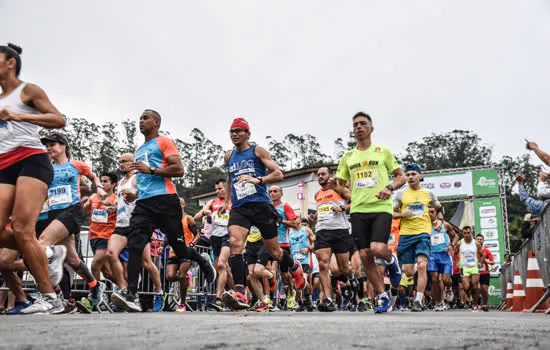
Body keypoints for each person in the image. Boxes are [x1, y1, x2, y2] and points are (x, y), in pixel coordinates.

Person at [111, 109, 215, 312]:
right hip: (144, 204)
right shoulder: (140, 149)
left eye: (145, 118)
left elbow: (179, 170)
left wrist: (151, 170)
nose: (141, 121)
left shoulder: (164, 142)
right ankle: (131, 293)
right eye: (140, 118)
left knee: (180, 247)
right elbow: (143, 178)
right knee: (135, 243)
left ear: (156, 122)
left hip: (166, 200)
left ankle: (201, 261)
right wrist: (136, 194)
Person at [0, 43, 67, 314]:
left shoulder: (27, 90)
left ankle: (51, 298)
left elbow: (58, 119)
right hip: (4, 164)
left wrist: (16, 114)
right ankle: (50, 253)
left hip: (31, 159)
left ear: (10, 63)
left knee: (22, 229)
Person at [219, 117, 303, 310]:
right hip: (240, 207)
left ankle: (294, 267)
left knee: (275, 251)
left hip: (260, 205)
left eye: (239, 131)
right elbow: (230, 179)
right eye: (232, 131)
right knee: (235, 243)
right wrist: (226, 202)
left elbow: (278, 174)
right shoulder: (229, 156)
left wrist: (258, 179)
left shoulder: (257, 150)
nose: (235, 134)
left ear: (248, 133)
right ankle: (240, 291)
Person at [333, 112, 406, 314]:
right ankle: (383, 297)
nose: (358, 127)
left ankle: (392, 261)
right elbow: (339, 186)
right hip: (358, 211)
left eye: (363, 123)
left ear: (371, 129)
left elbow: (401, 177)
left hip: (380, 208)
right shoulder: (348, 157)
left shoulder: (383, 152)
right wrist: (350, 195)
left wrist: (389, 189)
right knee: (365, 255)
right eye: (355, 124)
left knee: (376, 248)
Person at [105, 153, 166, 312]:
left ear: (134, 163)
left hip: (138, 225)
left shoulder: (139, 178)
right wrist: (114, 208)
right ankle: (125, 291)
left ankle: (159, 292)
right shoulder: (120, 183)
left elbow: (149, 195)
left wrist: (135, 195)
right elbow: (123, 203)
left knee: (146, 262)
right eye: (119, 161)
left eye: (124, 161)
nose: (121, 164)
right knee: (111, 253)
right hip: (121, 225)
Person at [393, 163, 441, 312]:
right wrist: (402, 214)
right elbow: (392, 213)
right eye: (408, 175)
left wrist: (439, 219)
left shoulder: (429, 193)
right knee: (408, 271)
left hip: (423, 233)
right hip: (406, 234)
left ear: (420, 176)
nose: (410, 177)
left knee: (422, 266)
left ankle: (418, 301)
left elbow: (438, 207)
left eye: (414, 174)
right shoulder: (400, 195)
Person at [312, 167, 356, 312]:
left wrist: (343, 208)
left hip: (340, 230)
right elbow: (323, 210)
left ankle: (352, 277)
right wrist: (315, 217)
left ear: (330, 175)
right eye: (318, 175)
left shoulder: (339, 189)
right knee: (323, 265)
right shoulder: (316, 194)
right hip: (322, 231)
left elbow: (355, 202)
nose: (320, 177)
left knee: (343, 269)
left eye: (323, 174)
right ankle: (328, 299)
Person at [194, 179, 232, 312]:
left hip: (229, 236)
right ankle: (234, 293)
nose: (218, 191)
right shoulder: (212, 203)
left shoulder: (233, 201)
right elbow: (195, 217)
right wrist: (205, 212)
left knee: (221, 264)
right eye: (216, 189)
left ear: (227, 188)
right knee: (224, 268)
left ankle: (219, 299)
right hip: (215, 238)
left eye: (220, 188)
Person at [165, 198, 200, 312]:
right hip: (173, 250)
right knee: (169, 276)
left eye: (179, 203)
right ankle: (186, 277)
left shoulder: (188, 219)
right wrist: (162, 245)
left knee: (181, 275)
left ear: (183, 205)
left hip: (186, 251)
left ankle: (182, 304)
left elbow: (197, 234)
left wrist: (192, 244)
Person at [269, 185, 299, 309]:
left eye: (275, 191)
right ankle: (270, 300)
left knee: (284, 275)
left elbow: (295, 223)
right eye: (270, 191)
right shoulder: (267, 207)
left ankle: (292, 293)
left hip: (283, 244)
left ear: (281, 193)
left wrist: (281, 221)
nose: (272, 193)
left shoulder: (285, 206)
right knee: (270, 272)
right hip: (269, 243)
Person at [427, 206, 457, 311]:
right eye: (428, 212)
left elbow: (455, 237)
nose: (430, 214)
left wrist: (451, 246)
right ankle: (439, 302)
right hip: (432, 255)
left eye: (432, 212)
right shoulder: (425, 226)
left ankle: (449, 287)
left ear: (436, 213)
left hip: (444, 255)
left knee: (445, 280)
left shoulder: (445, 225)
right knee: (435, 280)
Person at [455, 226, 484, 311]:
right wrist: (457, 262)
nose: (467, 235)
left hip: (474, 266)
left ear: (471, 233)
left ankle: (475, 304)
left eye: (468, 233)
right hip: (464, 267)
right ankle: (469, 297)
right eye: (465, 233)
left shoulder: (476, 243)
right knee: (466, 287)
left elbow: (482, 255)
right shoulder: (460, 243)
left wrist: (480, 263)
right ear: (462, 234)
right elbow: (455, 253)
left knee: (475, 287)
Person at [476, 234, 494, 312]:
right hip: (475, 272)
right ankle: (477, 304)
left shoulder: (486, 250)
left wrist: (487, 261)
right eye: (478, 239)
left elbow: (493, 262)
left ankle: (485, 305)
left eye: (481, 239)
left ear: (483, 240)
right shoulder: (473, 250)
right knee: (478, 288)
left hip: (485, 272)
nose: (479, 240)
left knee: (485, 289)